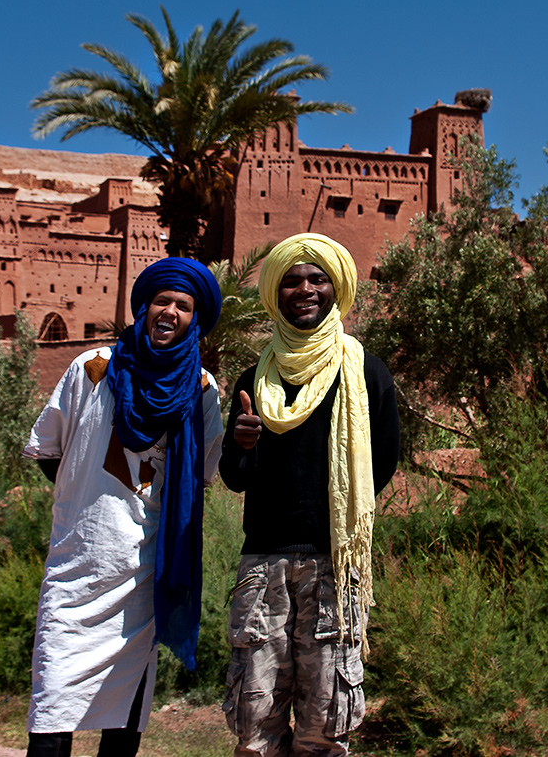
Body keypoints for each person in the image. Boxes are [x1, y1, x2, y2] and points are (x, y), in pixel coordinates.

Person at [22, 257, 224, 757]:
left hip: (145, 571)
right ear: (143, 306)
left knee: (126, 718)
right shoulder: (91, 369)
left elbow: (202, 478)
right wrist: (84, 499)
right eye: (162, 301)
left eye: (182, 305)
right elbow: (50, 452)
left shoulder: (200, 389)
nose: (170, 312)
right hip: (78, 568)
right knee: (52, 703)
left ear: (193, 318)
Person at [219, 233, 400, 757]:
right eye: (293, 281)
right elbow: (235, 476)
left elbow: (381, 463)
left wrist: (333, 515)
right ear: (276, 292)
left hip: (334, 564)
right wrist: (243, 445)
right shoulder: (254, 377)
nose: (305, 290)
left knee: (326, 727)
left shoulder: (365, 372)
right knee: (256, 726)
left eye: (317, 279)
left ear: (335, 288)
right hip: (263, 565)